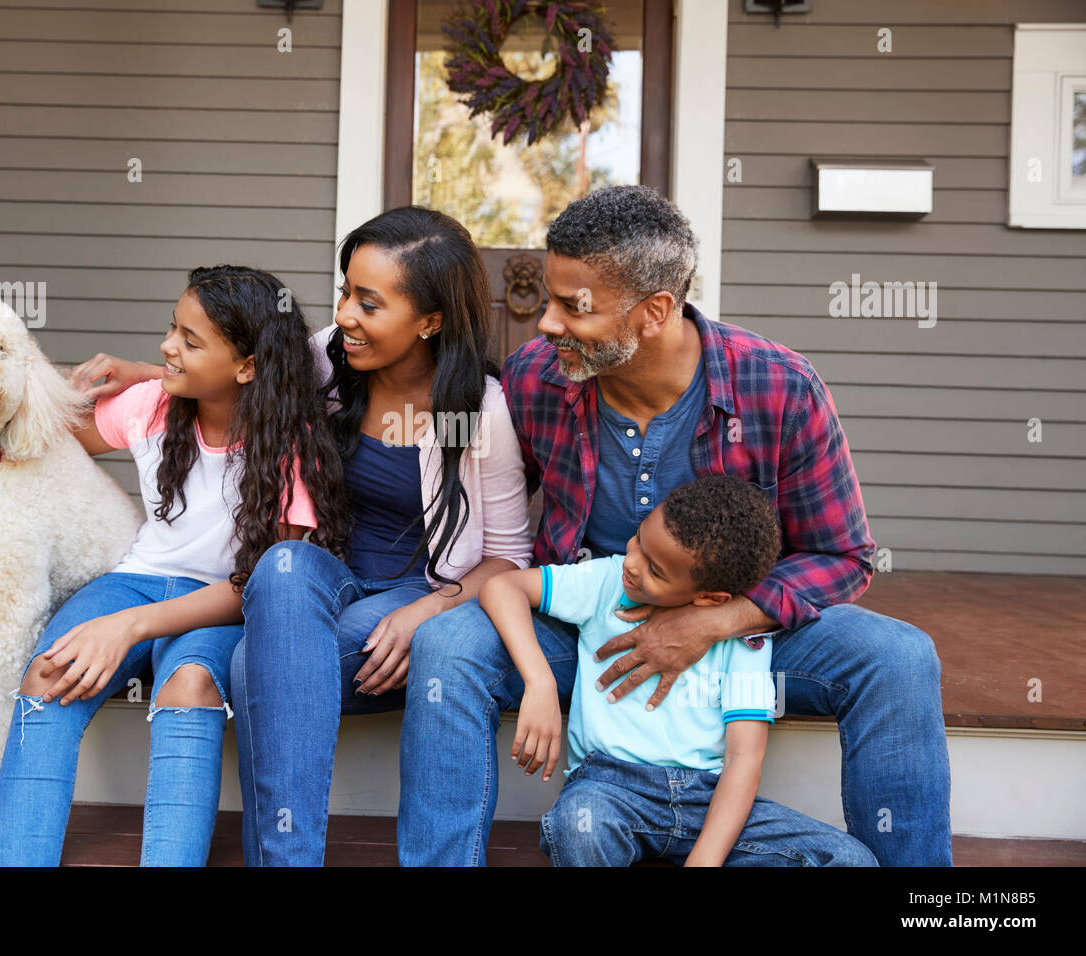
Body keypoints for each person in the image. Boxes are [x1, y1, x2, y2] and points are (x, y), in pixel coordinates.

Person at [399, 184, 951, 866]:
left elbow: (841, 555)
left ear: (655, 310)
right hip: (588, 626)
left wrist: (713, 623)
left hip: (741, 639)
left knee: (897, 657)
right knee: (449, 647)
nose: (545, 324)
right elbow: (493, 518)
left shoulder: (777, 386)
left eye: (574, 308)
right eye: (549, 298)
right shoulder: (537, 378)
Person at [74, 206, 535, 866]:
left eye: (369, 303)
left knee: (242, 663)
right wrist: (146, 372)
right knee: (284, 564)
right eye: (346, 291)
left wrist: (425, 613)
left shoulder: (475, 411)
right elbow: (244, 375)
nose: (345, 314)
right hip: (327, 571)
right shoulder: (331, 360)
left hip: (415, 588)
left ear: (430, 320)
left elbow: (507, 558)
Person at [0, 265, 349, 866]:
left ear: (248, 365)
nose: (166, 347)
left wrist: (130, 627)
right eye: (171, 329)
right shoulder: (154, 404)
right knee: (48, 674)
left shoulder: (292, 444)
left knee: (191, 685)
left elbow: (257, 588)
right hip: (134, 580)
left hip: (220, 603)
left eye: (190, 339)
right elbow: (56, 432)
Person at [481, 474, 877, 866]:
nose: (632, 564)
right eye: (638, 540)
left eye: (656, 570)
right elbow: (503, 588)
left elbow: (744, 758)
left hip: (707, 799)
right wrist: (539, 681)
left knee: (848, 859)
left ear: (711, 598)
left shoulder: (745, 639)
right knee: (577, 826)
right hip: (608, 789)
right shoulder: (604, 581)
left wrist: (705, 859)